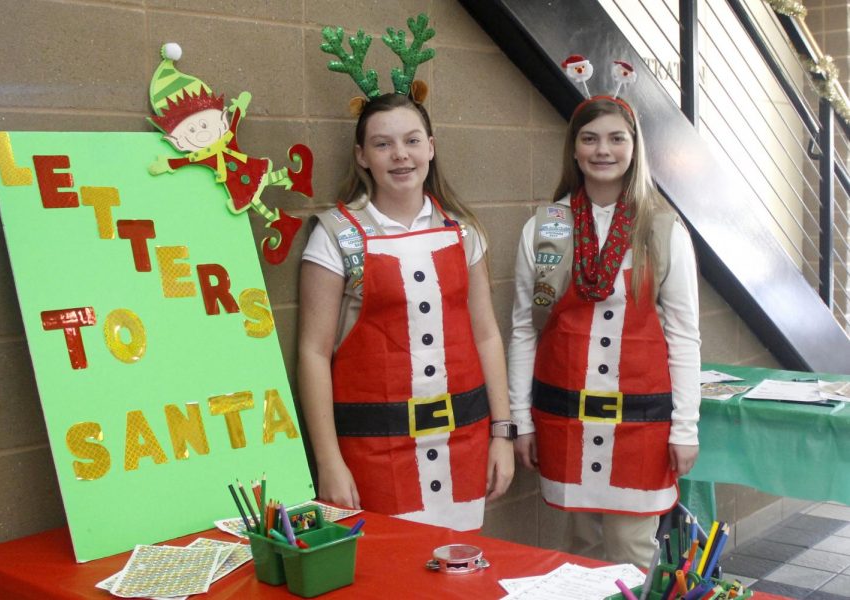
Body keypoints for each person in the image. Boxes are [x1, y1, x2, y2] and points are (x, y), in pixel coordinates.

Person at [298, 18, 514, 529]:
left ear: (431, 147)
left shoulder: (464, 233)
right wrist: (329, 460)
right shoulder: (336, 236)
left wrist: (501, 433)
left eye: (412, 140)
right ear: (362, 156)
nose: (400, 155)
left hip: (464, 441)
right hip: (373, 451)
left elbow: (486, 335)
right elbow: (312, 352)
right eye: (383, 144)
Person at [507, 89, 701, 566]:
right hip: (566, 416)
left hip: (642, 422)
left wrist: (685, 428)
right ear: (574, 149)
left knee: (632, 550)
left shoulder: (662, 228)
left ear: (635, 148)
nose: (603, 150)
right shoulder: (546, 226)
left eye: (617, 138)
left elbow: (683, 336)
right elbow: (523, 330)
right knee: (580, 551)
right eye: (590, 139)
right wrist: (520, 417)